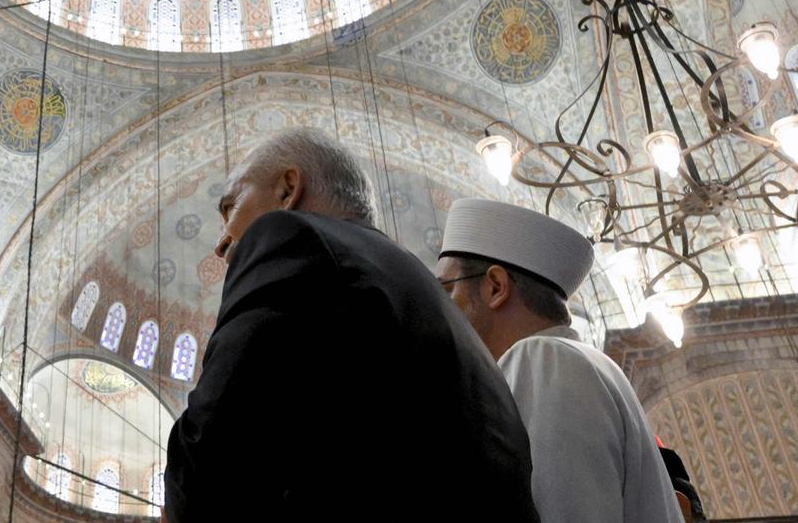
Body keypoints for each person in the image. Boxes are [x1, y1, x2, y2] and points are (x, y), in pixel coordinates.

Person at [165, 129, 538, 522]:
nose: (222, 244)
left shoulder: (291, 237)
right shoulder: (427, 298)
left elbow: (208, 465)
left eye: (231, 206)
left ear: (287, 190)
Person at [437, 198, 680, 523]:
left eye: (448, 289)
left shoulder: (542, 361)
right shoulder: (582, 363)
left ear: (496, 287)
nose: (442, 309)